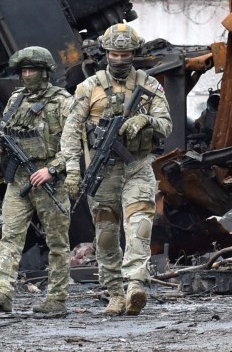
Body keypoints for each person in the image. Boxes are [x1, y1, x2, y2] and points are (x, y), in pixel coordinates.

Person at [60, 23, 172, 316]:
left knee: (140, 226)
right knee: (106, 235)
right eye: (114, 54)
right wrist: (72, 170)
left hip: (137, 166)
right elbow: (71, 132)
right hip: (103, 172)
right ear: (105, 53)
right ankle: (114, 292)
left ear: (134, 53)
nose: (120, 60)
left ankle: (135, 283)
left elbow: (166, 125)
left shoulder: (150, 86)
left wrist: (145, 121)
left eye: (125, 54)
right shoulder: (88, 88)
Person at [0, 46, 73, 314]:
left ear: (45, 72)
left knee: (57, 242)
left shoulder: (63, 102)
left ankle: (56, 299)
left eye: (32, 70)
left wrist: (53, 169)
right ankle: (2, 292)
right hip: (19, 178)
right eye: (23, 71)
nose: (27, 75)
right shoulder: (16, 100)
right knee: (10, 235)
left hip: (49, 181)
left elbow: (76, 144)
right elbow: (3, 131)